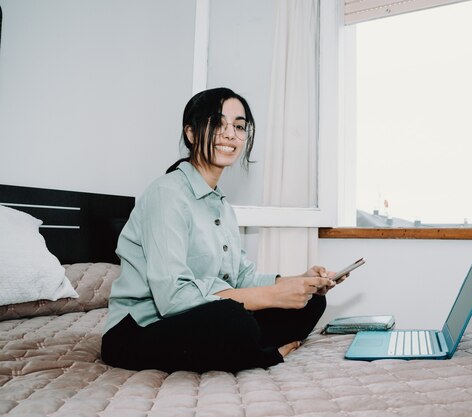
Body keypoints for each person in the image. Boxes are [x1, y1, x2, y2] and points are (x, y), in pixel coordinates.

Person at [101, 87, 342, 373]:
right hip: (140, 329)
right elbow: (173, 298)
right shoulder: (166, 195)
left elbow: (241, 277)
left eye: (239, 126)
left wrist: (298, 281)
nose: (230, 134)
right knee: (231, 317)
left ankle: (246, 345)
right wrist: (271, 297)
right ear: (191, 133)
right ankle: (264, 353)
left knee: (311, 302)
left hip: (196, 321)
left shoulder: (220, 205)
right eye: (217, 124)